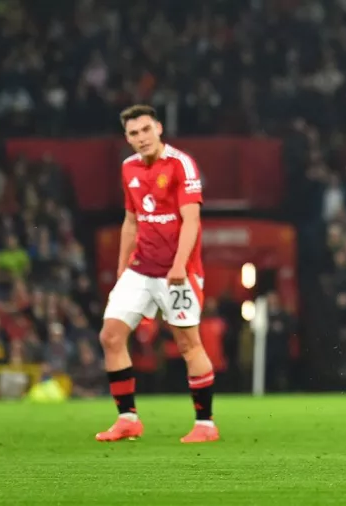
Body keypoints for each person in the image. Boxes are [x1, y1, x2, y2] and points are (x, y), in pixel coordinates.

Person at [96, 104, 218, 443]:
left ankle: (205, 424)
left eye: (146, 129)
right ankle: (127, 419)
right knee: (110, 336)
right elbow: (131, 221)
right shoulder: (128, 168)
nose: (141, 137)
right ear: (127, 138)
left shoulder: (181, 164)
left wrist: (180, 264)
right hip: (141, 268)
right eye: (134, 133)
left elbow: (191, 219)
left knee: (187, 343)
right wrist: (122, 266)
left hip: (178, 271)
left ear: (159, 128)